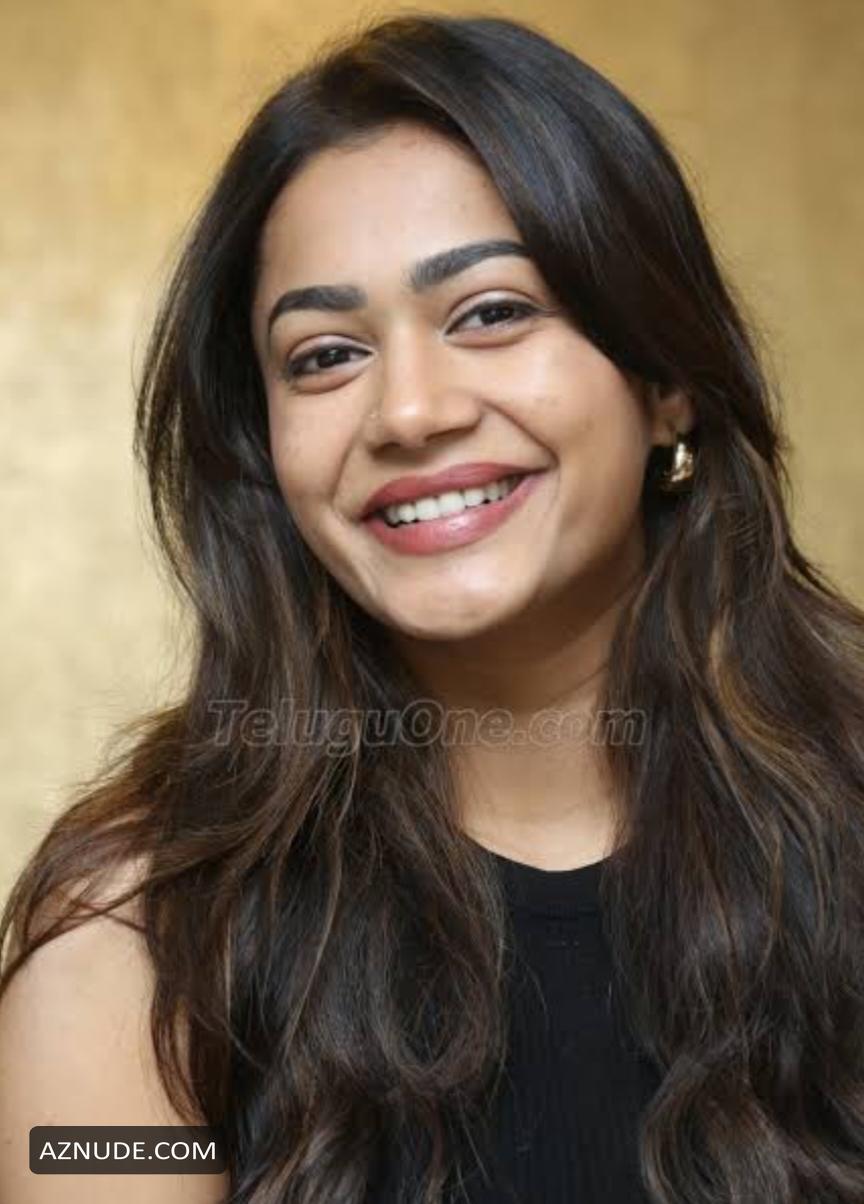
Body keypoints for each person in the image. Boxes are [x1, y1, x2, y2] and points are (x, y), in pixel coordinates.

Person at [3, 11, 864, 1204]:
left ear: (665, 377)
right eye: (324, 355)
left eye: (492, 312)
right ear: (264, 446)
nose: (409, 411)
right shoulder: (137, 939)